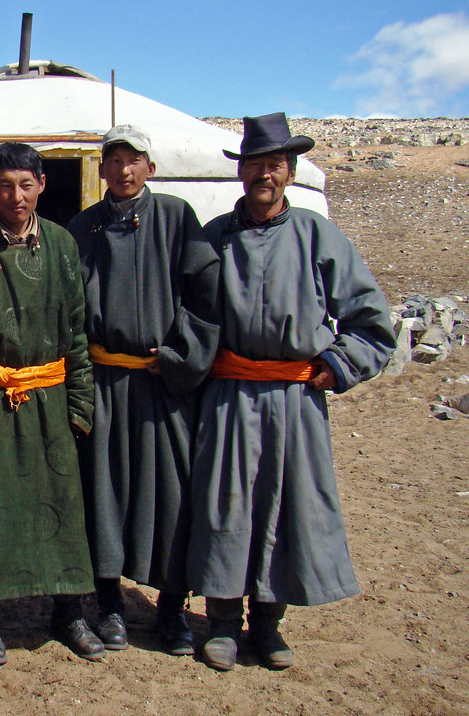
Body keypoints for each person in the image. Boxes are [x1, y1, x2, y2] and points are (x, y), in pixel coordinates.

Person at [187, 113, 396, 672]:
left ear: (290, 171)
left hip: (296, 400)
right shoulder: (213, 238)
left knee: (286, 506)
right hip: (229, 394)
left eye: (274, 165)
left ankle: (270, 626)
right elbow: (184, 315)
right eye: (254, 164)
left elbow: (372, 319)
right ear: (241, 173)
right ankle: (223, 623)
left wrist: (339, 362)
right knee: (225, 505)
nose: (264, 175)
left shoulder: (315, 234)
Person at [67, 125, 220, 657]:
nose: (125, 169)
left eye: (135, 160)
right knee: (103, 492)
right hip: (104, 379)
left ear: (150, 168)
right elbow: (67, 309)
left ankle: (173, 608)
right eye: (114, 160)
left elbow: (207, 299)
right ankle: (109, 603)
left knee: (171, 495)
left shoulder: (177, 218)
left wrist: (181, 359)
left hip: (162, 383)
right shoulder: (83, 227)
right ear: (101, 169)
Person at [0, 142, 104, 664]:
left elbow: (77, 329)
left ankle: (69, 612)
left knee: (65, 504)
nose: (16, 195)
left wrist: (80, 405)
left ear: (42, 185)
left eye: (26, 185)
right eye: (5, 185)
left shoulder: (63, 243)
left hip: (51, 395)